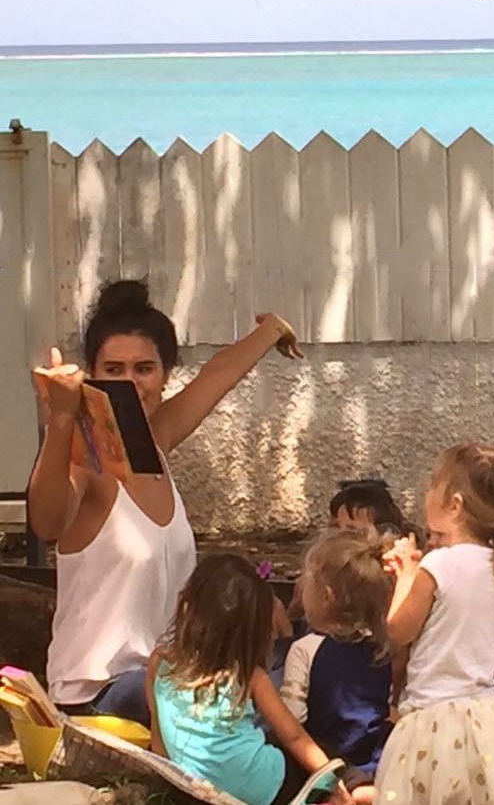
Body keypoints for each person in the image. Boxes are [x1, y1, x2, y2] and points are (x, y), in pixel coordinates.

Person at [28, 279, 301, 725]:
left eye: (144, 368)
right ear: (91, 376)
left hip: (169, 682)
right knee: (249, 704)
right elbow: (46, 522)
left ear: (166, 375)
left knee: (295, 655)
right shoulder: (84, 460)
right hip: (104, 695)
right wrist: (61, 417)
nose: (131, 382)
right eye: (113, 369)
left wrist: (272, 331)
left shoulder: (154, 442)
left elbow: (216, 377)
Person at [375, 443, 494, 805]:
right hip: (489, 716)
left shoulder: (437, 565)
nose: (426, 493)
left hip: (436, 720)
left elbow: (398, 631)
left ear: (454, 505)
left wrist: (405, 575)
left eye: (431, 484)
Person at [146, 555, 351, 805]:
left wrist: (172, 787)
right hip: (264, 789)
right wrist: (330, 777)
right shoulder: (249, 674)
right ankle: (347, 793)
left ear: (185, 605)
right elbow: (294, 736)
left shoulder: (160, 661)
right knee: (320, 751)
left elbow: (159, 735)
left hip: (193, 788)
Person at [281, 529, 394, 805]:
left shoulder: (305, 649)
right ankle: (367, 790)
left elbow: (292, 717)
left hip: (326, 760)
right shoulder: (384, 647)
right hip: (376, 761)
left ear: (327, 595)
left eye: (305, 583)